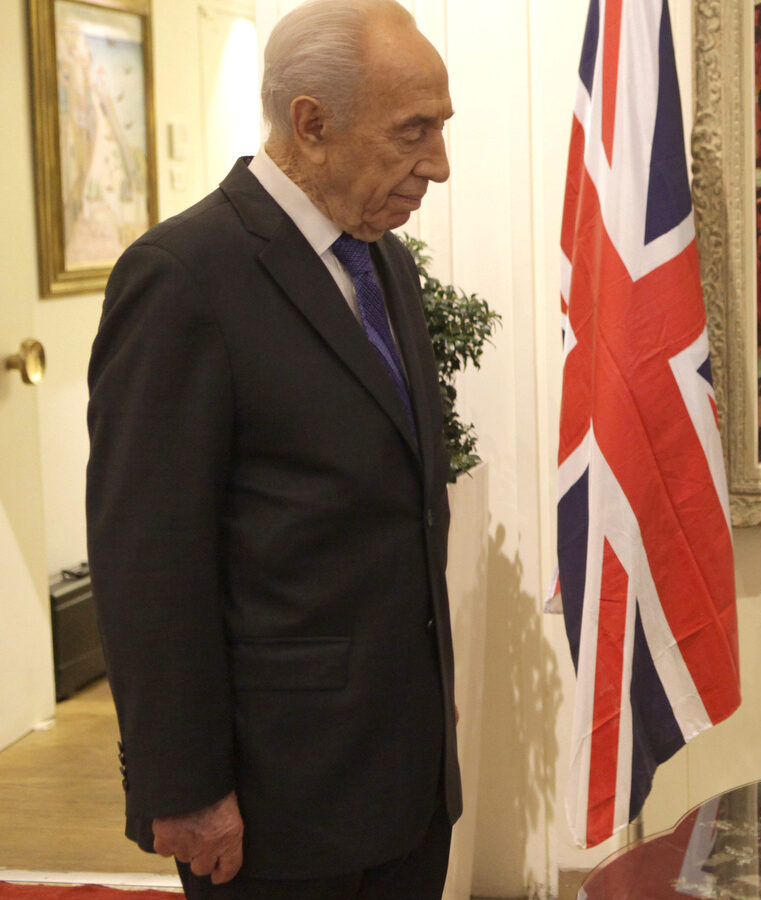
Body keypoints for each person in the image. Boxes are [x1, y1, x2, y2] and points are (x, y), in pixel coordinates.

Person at [86, 1, 458, 895]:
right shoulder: (183, 277)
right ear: (311, 124)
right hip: (276, 805)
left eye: (441, 131)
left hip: (404, 782)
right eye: (414, 133)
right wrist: (185, 786)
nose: (438, 166)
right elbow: (148, 564)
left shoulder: (384, 261)